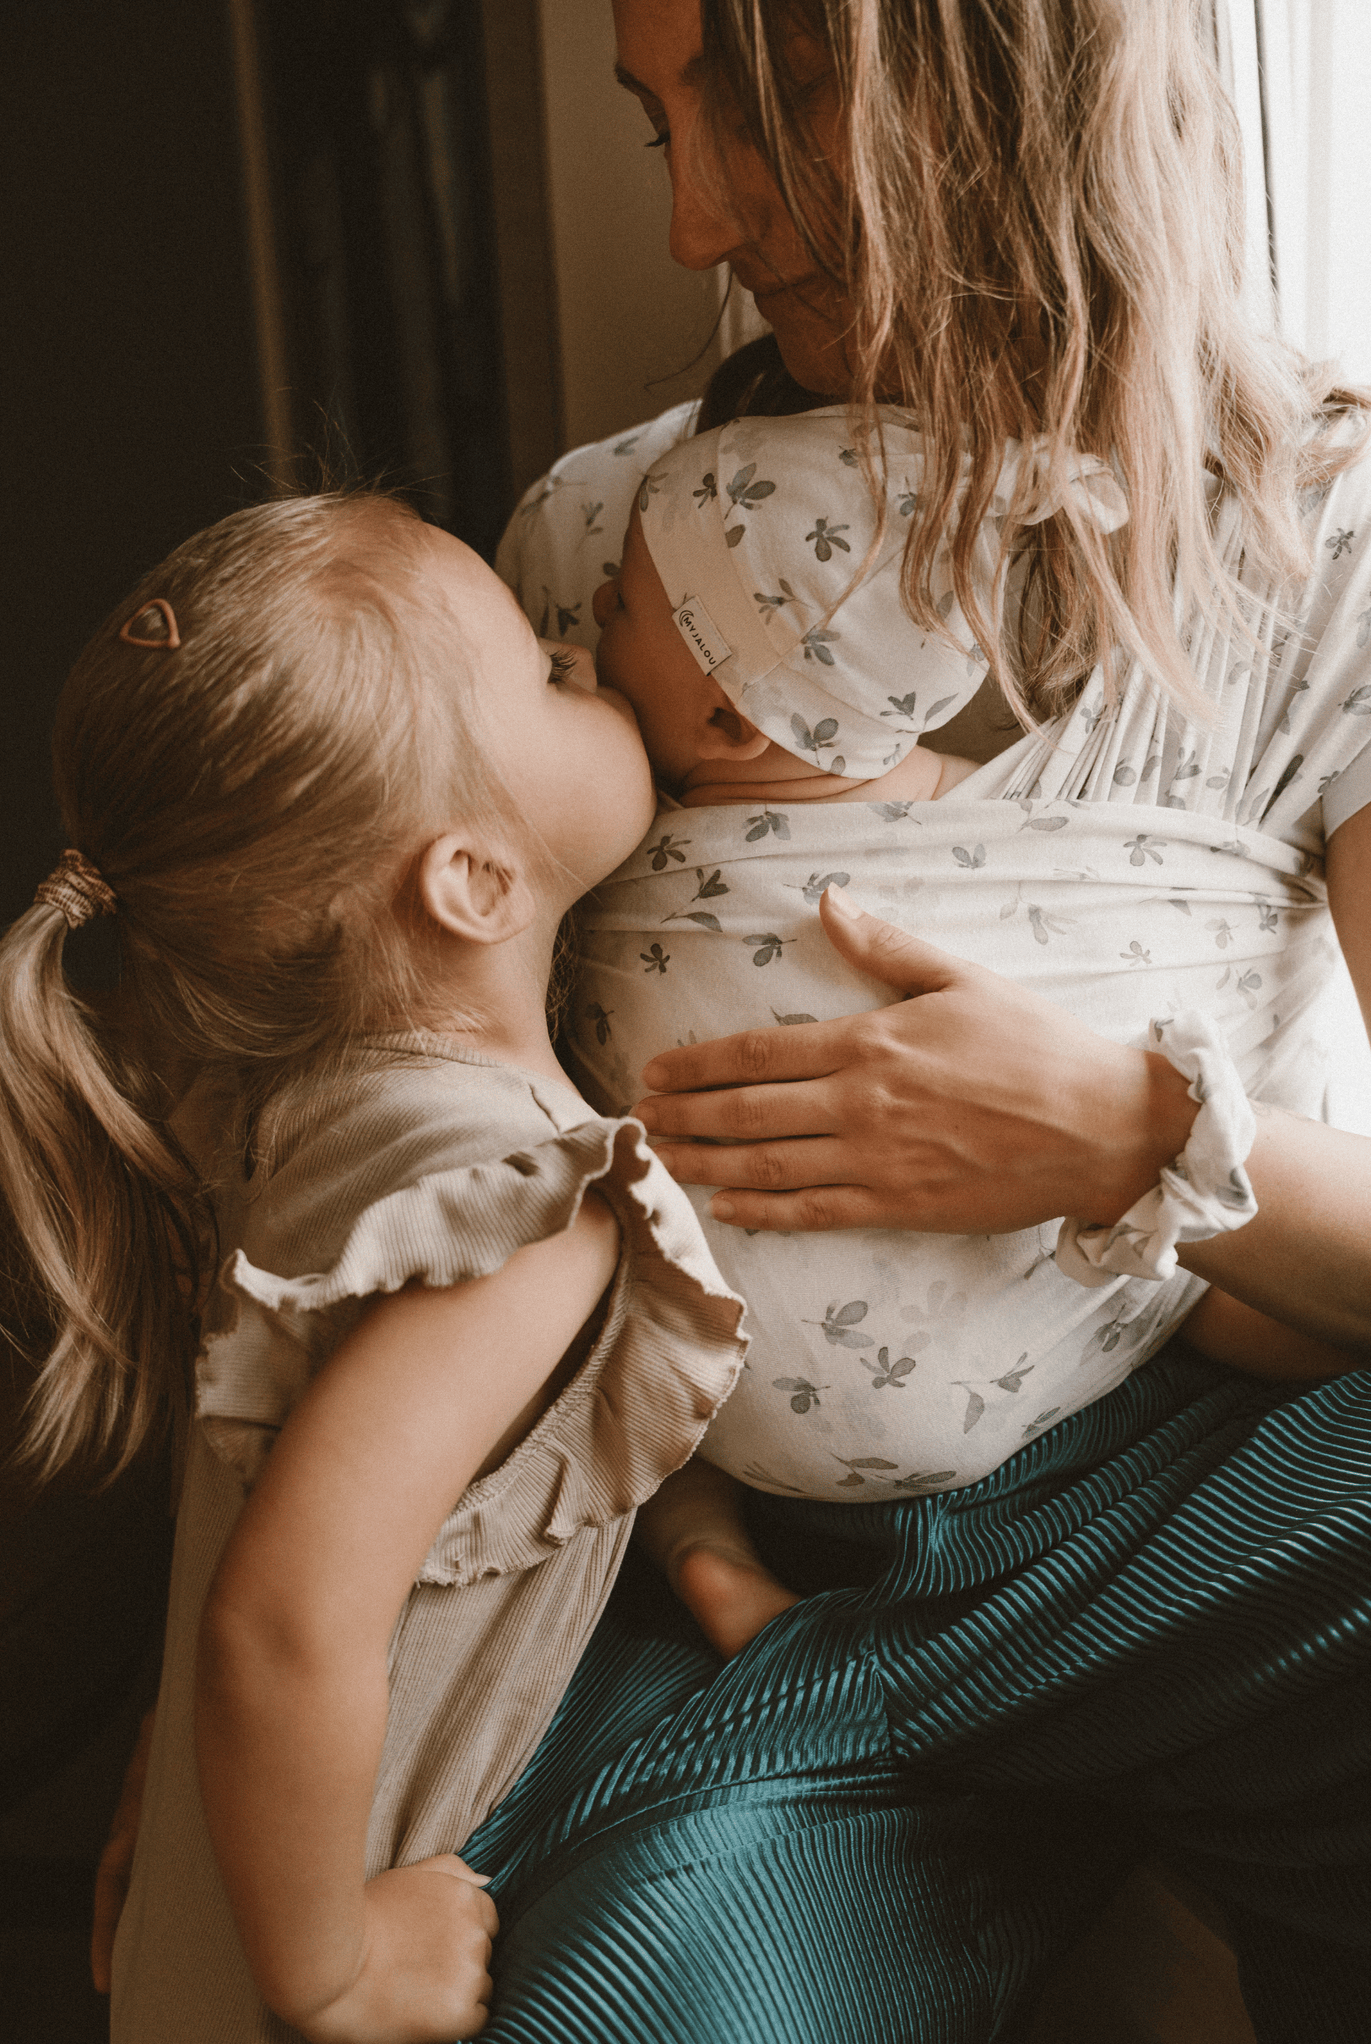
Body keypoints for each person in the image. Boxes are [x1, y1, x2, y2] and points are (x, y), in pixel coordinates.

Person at [463, 4, 1371, 2040]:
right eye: (659, 126)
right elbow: (428, 1113)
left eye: (763, 95)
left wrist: (1124, 1133)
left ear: (1016, 66)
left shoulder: (1345, 533)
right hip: (760, 1580)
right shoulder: (593, 558)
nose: (696, 219)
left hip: (1193, 1504)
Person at [0, 490, 750, 2042]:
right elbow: (282, 1619)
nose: (570, 655)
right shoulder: (516, 1212)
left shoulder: (301, 1117)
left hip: (214, 1907)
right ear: (473, 880)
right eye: (539, 678)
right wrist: (331, 1966)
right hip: (323, 1956)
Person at [577, 401, 1371, 1660]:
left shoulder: (627, 833)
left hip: (725, 1418)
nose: (579, 625)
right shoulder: (1048, 851)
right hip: (961, 1386)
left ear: (730, 720)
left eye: (614, 609)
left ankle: (704, 1546)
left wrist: (1132, 1129)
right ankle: (703, 1544)